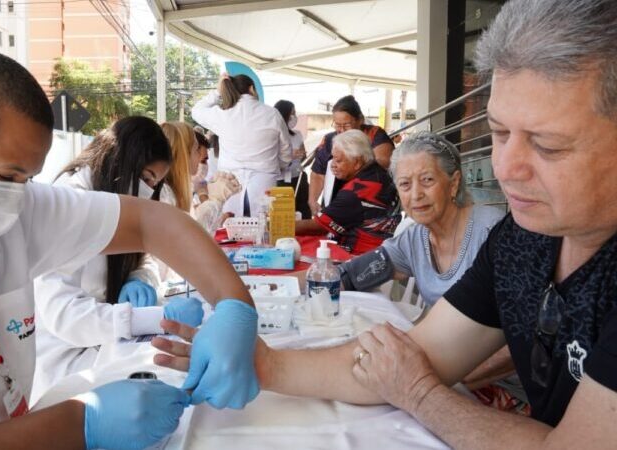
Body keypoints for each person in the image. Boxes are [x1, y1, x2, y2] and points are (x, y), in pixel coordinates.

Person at [154, 0, 617, 447]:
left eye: (548, 145)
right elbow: (421, 353)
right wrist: (262, 363)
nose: (504, 168)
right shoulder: (522, 240)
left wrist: (418, 393)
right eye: (498, 134)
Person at [0, 46, 259, 450]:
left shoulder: (11, 207)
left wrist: (235, 310)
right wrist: (76, 425)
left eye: (27, 180)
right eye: (4, 177)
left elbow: (154, 222)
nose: (16, 199)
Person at [32, 117, 206, 403]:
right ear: (122, 162)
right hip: (65, 362)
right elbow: (63, 315)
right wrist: (149, 320)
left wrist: (140, 278)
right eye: (147, 178)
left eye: (155, 183)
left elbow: (144, 256)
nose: (150, 190)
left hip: (105, 343)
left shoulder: (111, 198)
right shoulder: (69, 203)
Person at [339, 131, 504, 307]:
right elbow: (350, 275)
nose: (416, 195)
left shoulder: (491, 231)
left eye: (427, 180)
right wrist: (316, 283)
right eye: (405, 184)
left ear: (454, 183)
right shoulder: (413, 240)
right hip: (430, 333)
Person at [192, 74, 292, 217]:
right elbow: (286, 152)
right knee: (264, 231)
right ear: (252, 89)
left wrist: (217, 92)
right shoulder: (272, 114)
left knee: (229, 230)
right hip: (264, 182)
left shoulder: (223, 114)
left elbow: (196, 111)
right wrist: (276, 165)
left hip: (229, 184)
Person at [295, 130, 400, 255]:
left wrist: (278, 226)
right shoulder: (380, 174)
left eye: (338, 161)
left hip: (361, 256)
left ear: (357, 162)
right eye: (332, 159)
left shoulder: (357, 191)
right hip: (384, 249)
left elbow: (319, 226)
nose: (332, 165)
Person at [308, 95, 395, 217]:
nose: (342, 130)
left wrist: (348, 166)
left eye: (347, 125)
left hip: (367, 203)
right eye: (338, 125)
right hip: (335, 202)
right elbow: (318, 173)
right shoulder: (328, 140)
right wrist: (313, 200)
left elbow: (384, 162)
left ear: (360, 120)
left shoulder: (375, 134)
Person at [161, 121, 241, 234]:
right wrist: (216, 200)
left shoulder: (177, 189)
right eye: (195, 149)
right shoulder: (164, 192)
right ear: (183, 154)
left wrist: (216, 201)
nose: (199, 156)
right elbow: (190, 235)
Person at [274, 99, 311, 220]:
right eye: (292, 113)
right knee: (284, 215)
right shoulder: (272, 134)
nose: (294, 117)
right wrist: (288, 156)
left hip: (298, 177)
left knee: (303, 212)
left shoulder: (297, 134)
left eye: (295, 113)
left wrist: (303, 155)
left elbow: (305, 159)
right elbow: (270, 160)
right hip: (281, 181)